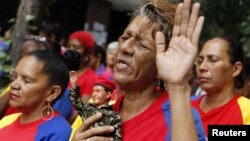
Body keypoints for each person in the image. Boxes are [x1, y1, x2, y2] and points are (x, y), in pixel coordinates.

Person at [71, 0, 206, 141]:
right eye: (125, 37)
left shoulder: (178, 117)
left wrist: (178, 87)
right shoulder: (105, 110)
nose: (124, 48)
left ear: (162, 62)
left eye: (142, 45)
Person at [0, 50, 72, 140]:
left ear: (53, 92)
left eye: (26, 81)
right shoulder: (7, 120)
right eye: (14, 77)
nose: (14, 85)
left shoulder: (58, 131)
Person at [191, 36, 250, 137]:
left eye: (213, 60)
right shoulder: (185, 105)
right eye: (200, 60)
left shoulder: (246, 110)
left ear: (236, 69)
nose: (202, 67)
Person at [69, 73, 122, 140]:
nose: (94, 94)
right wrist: (74, 86)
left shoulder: (114, 115)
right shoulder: (87, 109)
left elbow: (117, 137)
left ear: (108, 94)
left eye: (98, 91)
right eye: (93, 91)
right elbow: (75, 101)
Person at [67, 30, 97, 103]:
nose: (71, 49)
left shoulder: (91, 77)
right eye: (69, 46)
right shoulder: (63, 71)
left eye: (76, 47)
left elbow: (82, 107)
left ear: (87, 52)